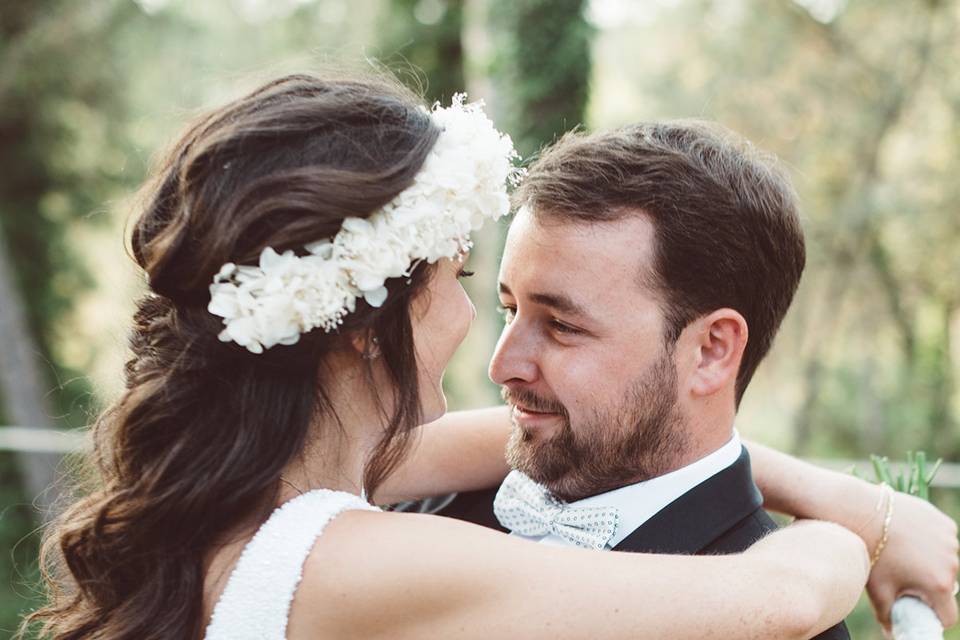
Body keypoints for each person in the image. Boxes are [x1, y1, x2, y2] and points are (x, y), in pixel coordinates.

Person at [23, 72, 873, 640]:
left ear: (712, 350)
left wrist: (801, 482)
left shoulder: (239, 494)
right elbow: (782, 599)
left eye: (563, 325)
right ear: (361, 321)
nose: (499, 353)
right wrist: (869, 525)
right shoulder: (357, 551)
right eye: (467, 283)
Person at [391, 121, 960, 636]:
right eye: (510, 310)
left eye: (562, 325)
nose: (502, 364)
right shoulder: (413, 508)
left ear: (711, 350)